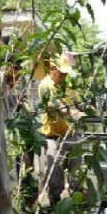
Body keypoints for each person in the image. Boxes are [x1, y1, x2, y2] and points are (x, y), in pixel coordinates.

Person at [35, 53, 88, 205]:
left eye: (66, 72)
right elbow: (55, 108)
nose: (64, 75)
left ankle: (77, 199)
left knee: (77, 172)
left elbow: (80, 103)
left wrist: (88, 109)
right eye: (62, 72)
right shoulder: (45, 85)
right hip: (52, 137)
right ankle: (54, 204)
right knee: (54, 175)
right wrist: (74, 113)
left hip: (70, 134)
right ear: (52, 68)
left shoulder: (68, 87)